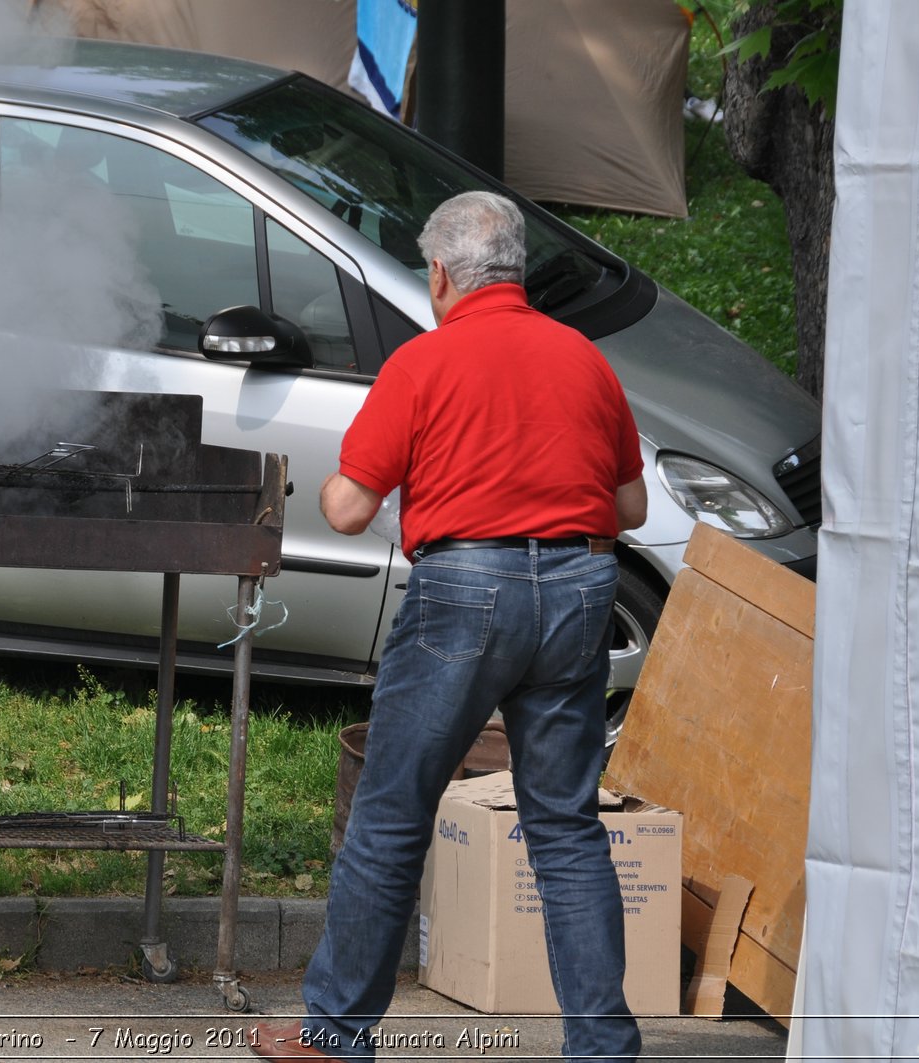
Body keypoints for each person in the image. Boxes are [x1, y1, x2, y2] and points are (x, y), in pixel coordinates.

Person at [248, 191, 648, 1062]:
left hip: (464, 588)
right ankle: (605, 1048)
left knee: (392, 817)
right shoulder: (584, 360)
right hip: (582, 588)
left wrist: (328, 486)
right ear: (516, 269)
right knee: (565, 827)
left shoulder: (424, 364)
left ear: (439, 273)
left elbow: (349, 510)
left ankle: (336, 1035)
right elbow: (631, 503)